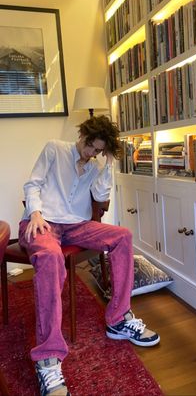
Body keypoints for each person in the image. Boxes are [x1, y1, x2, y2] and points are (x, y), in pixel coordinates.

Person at [19, 115, 160, 396]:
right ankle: (48, 357)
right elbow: (32, 184)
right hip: (42, 221)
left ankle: (118, 320)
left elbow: (101, 194)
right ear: (82, 135)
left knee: (123, 236)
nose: (90, 153)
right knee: (49, 256)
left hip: (77, 225)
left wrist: (107, 165)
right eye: (89, 146)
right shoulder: (54, 148)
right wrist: (34, 212)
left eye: (97, 150)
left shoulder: (97, 165)